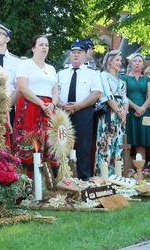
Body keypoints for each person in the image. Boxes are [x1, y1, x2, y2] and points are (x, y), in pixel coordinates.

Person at [57, 40, 102, 180]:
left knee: (83, 146)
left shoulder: (92, 73)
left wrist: (79, 106)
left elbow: (96, 94)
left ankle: (84, 178)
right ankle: (63, 177)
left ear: (85, 55)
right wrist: (62, 105)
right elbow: (55, 93)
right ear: (70, 55)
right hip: (63, 113)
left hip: (83, 112)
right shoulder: (61, 73)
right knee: (62, 145)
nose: (76, 55)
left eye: (79, 52)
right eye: (73, 52)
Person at [12, 35, 58, 170]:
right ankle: (26, 180)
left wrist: (53, 105)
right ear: (33, 48)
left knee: (48, 143)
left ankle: (46, 181)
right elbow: (22, 87)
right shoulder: (25, 64)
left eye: (46, 45)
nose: (44, 47)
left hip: (49, 109)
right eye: (41, 44)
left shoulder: (51, 69)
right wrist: (40, 103)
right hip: (30, 105)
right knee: (29, 144)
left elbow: (55, 91)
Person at [94, 50, 128, 176]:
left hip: (120, 116)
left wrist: (124, 112)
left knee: (118, 145)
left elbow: (125, 98)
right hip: (109, 113)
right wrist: (119, 112)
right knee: (106, 145)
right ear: (110, 61)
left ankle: (116, 176)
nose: (120, 62)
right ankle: (103, 176)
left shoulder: (120, 80)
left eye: (120, 60)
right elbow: (107, 95)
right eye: (117, 60)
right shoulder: (103, 75)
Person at [121, 53, 150, 161]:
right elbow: (123, 95)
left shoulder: (147, 79)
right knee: (129, 141)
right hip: (129, 111)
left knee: (141, 142)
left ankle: (141, 171)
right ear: (131, 63)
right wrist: (136, 108)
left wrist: (142, 108)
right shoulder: (124, 78)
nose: (137, 63)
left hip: (144, 112)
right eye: (135, 61)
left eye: (140, 61)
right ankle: (127, 169)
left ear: (143, 65)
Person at [0, 23, 21, 129]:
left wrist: (7, 106)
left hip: (10, 107)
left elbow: (19, 87)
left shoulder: (17, 61)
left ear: (7, 39)